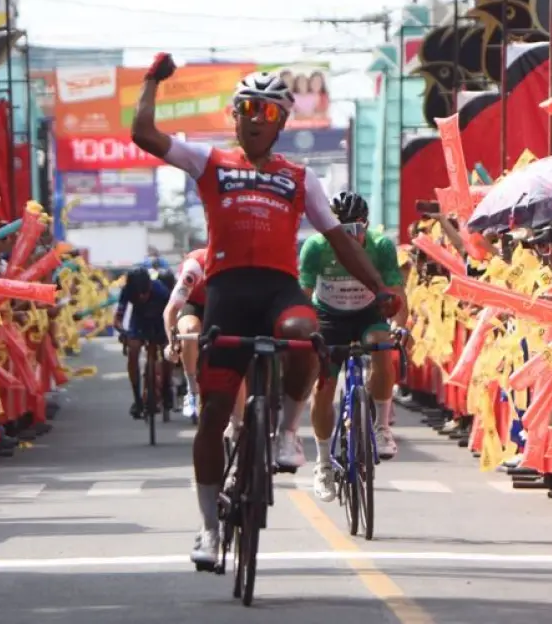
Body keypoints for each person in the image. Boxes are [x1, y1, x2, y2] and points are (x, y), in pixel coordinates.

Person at [129, 52, 400, 566]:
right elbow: (144, 133)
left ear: (281, 123)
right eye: (247, 108)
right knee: (212, 413)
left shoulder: (300, 178)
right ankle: (209, 530)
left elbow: (341, 241)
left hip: (278, 290)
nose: (256, 118)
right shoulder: (209, 161)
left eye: (269, 112)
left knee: (304, 332)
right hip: (228, 292)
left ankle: (285, 434)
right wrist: (150, 80)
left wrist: (377, 287)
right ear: (234, 114)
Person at [300, 191, 406, 502]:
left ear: (367, 226)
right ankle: (322, 463)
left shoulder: (382, 246)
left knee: (383, 345)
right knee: (323, 385)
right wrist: (303, 331)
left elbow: (397, 293)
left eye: (356, 230)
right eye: (341, 229)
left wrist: (399, 324)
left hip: (368, 314)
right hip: (328, 317)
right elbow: (304, 294)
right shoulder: (315, 247)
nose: (350, 237)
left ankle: (382, 425)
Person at [114, 266, 172, 418]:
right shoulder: (126, 291)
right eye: (136, 295)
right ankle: (137, 399)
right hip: (139, 322)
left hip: (160, 321)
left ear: (150, 286)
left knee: (168, 353)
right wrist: (123, 332)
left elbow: (173, 315)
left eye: (144, 293)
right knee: (133, 351)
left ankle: (167, 388)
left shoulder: (161, 291)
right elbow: (118, 320)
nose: (141, 298)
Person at [164, 247, 207, 422]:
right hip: (194, 304)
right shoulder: (194, 267)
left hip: (222, 305)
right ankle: (192, 388)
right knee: (190, 330)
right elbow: (171, 311)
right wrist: (173, 343)